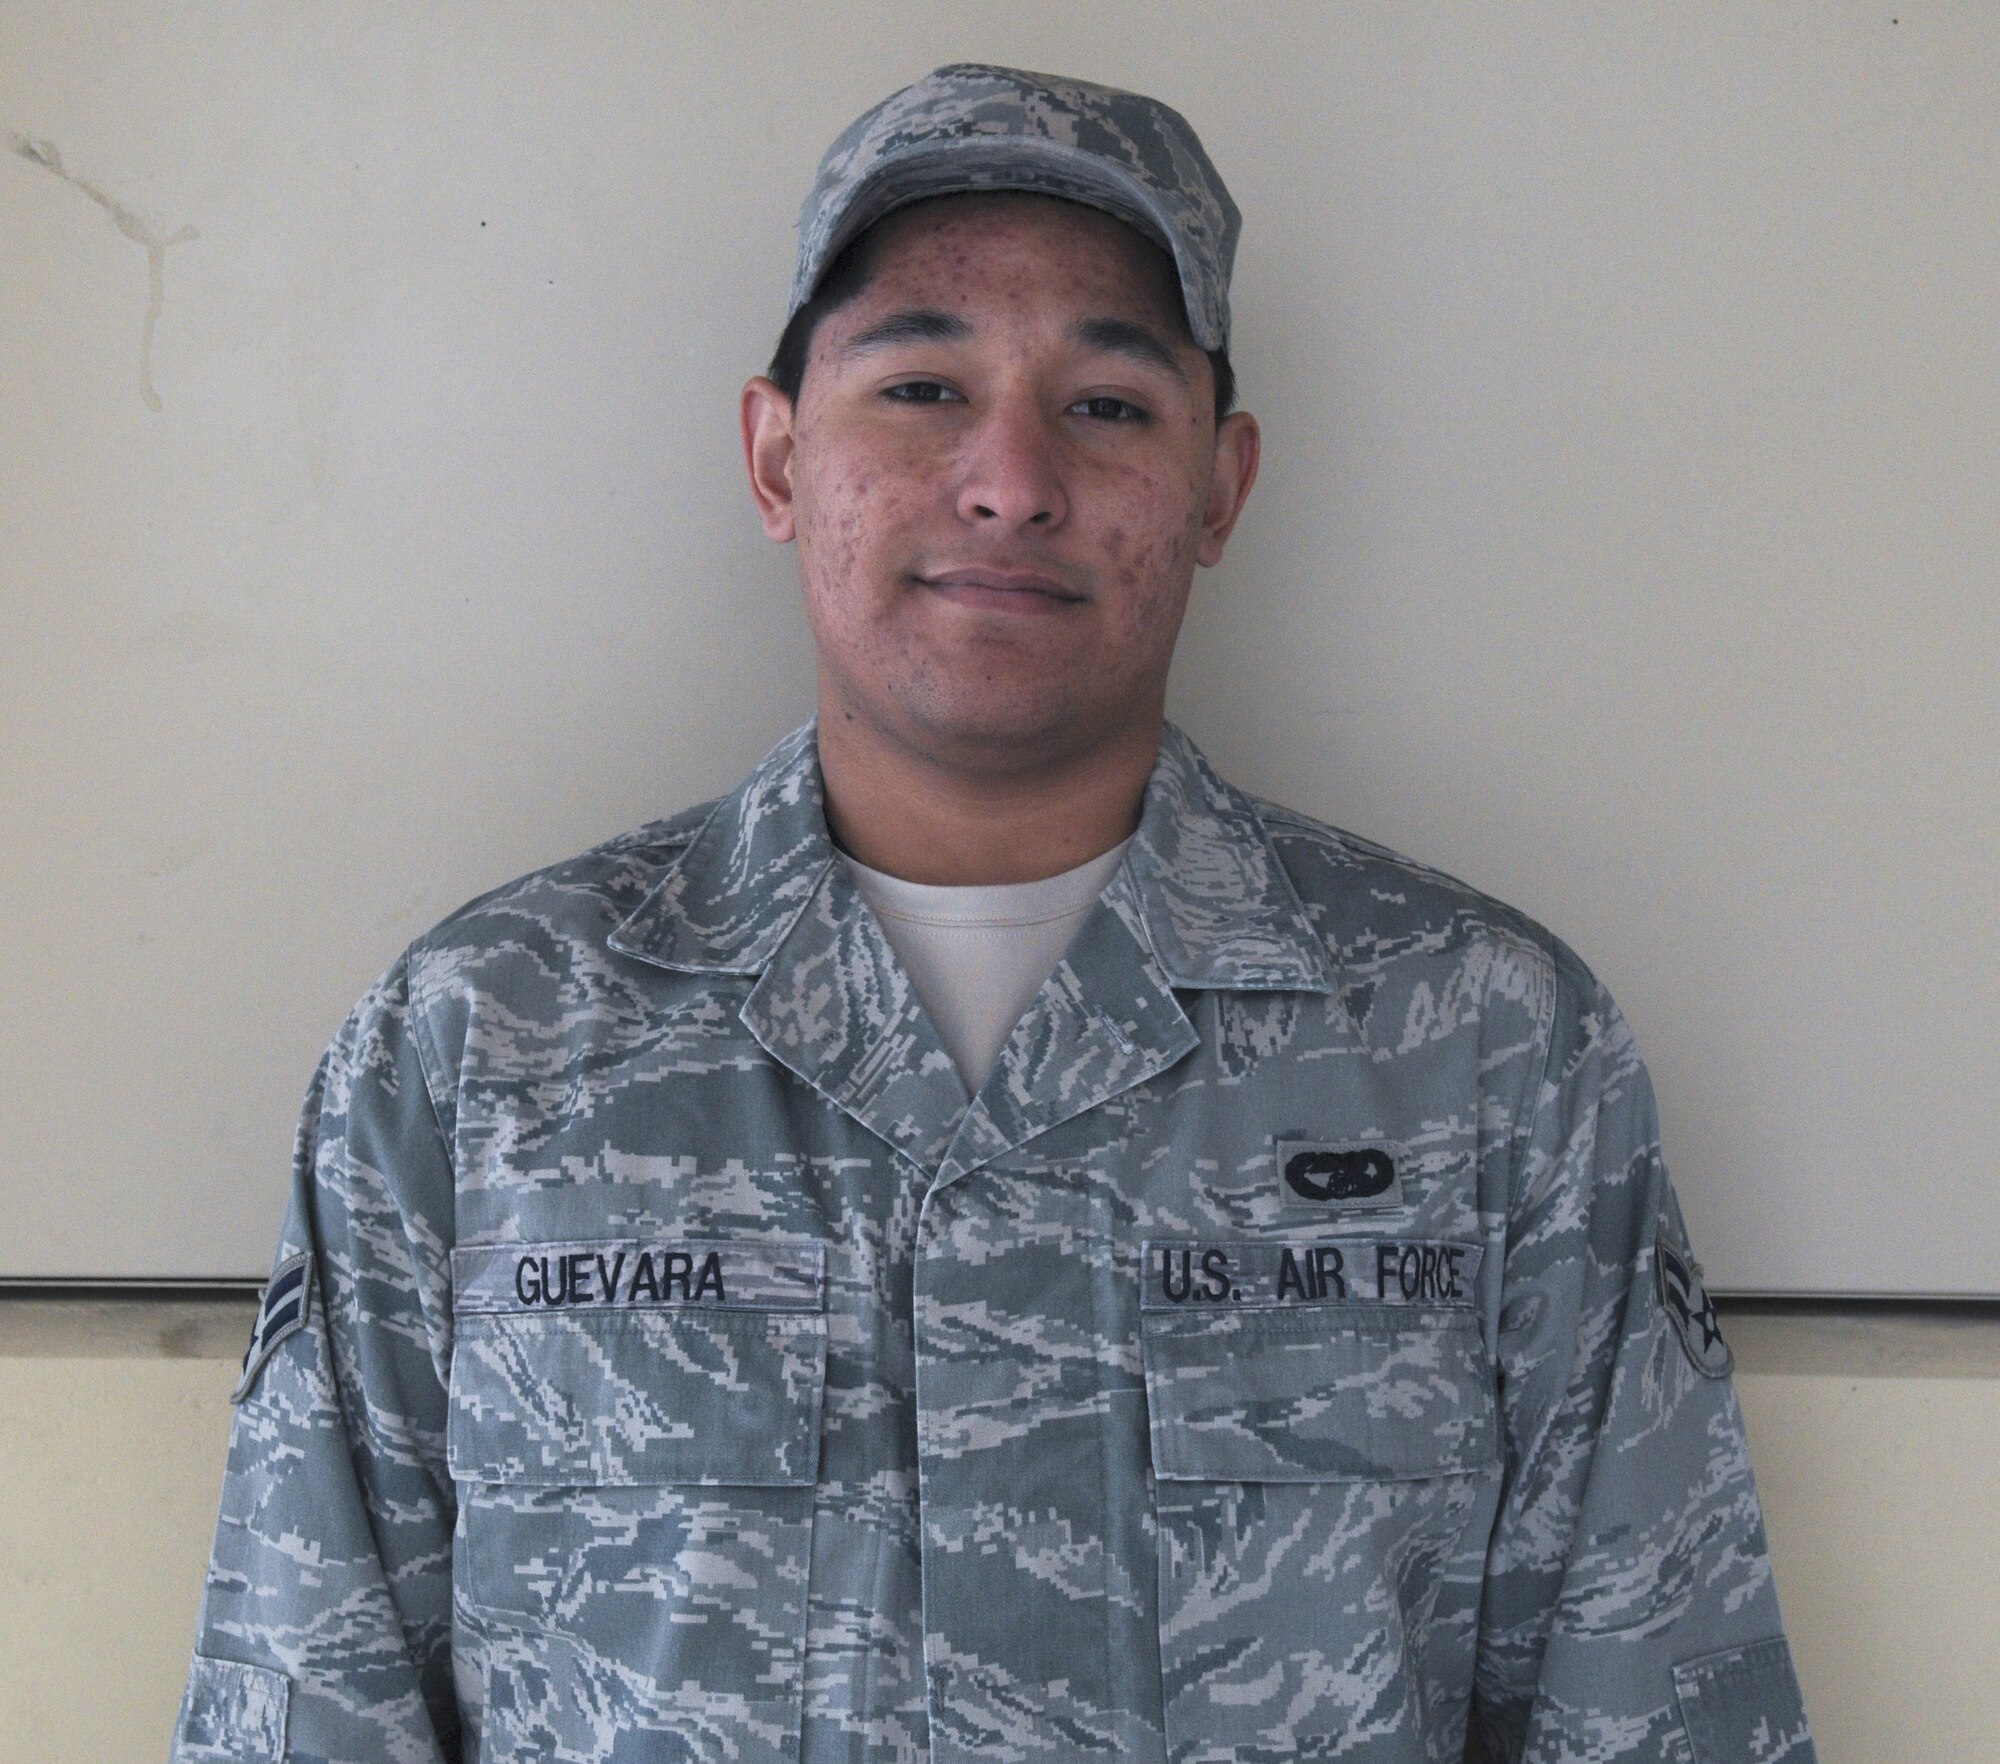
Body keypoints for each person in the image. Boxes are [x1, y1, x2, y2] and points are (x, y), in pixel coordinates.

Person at [172, 63, 1814, 1764]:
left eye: (1107, 406)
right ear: (778, 457)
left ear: (1220, 488)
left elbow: (1659, 1710)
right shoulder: (481, 1049)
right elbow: (308, 1712)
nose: (1010, 478)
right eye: (922, 384)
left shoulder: (1481, 1049)